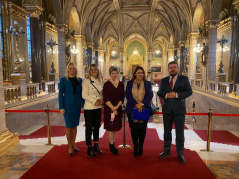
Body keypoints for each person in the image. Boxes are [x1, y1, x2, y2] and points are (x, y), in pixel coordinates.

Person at [157, 61, 192, 164]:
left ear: (177, 68)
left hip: (179, 110)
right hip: (167, 109)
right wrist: (167, 95)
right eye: (171, 67)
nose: (172, 69)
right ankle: (166, 151)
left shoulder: (184, 79)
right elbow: (159, 92)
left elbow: (189, 92)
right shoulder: (163, 80)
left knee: (180, 133)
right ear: (168, 69)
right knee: (167, 132)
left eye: (174, 67)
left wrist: (176, 95)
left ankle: (180, 154)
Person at [125, 66, 153, 157]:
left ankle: (141, 147)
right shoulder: (129, 83)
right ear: (135, 74)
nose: (140, 74)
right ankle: (135, 147)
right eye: (138, 73)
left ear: (144, 74)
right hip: (132, 109)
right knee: (134, 129)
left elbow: (150, 95)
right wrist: (136, 104)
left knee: (142, 129)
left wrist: (142, 104)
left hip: (144, 109)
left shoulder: (147, 83)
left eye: (142, 73)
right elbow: (128, 95)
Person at [58, 63, 84, 156]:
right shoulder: (63, 80)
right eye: (70, 68)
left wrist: (83, 105)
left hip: (77, 105)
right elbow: (60, 94)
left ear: (76, 70)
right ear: (67, 69)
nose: (72, 70)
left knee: (74, 126)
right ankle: (69, 146)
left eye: (74, 68)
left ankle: (73, 143)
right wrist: (61, 107)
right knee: (69, 127)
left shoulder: (79, 80)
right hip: (67, 106)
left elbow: (82, 94)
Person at [82, 64, 103, 158]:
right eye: (92, 70)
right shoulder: (86, 81)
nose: (94, 71)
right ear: (89, 71)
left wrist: (101, 99)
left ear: (98, 70)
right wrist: (95, 101)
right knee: (89, 128)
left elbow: (101, 93)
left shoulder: (100, 80)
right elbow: (84, 95)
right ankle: (89, 147)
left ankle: (96, 145)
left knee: (97, 126)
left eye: (95, 69)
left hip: (98, 107)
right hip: (90, 107)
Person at [103, 66, 124, 155]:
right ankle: (111, 144)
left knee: (115, 127)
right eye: (112, 73)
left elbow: (122, 97)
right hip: (109, 108)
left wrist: (117, 107)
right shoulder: (106, 84)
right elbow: (105, 98)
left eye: (116, 73)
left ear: (118, 74)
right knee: (110, 128)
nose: (114, 75)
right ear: (110, 74)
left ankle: (113, 142)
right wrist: (112, 108)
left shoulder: (121, 84)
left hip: (118, 108)